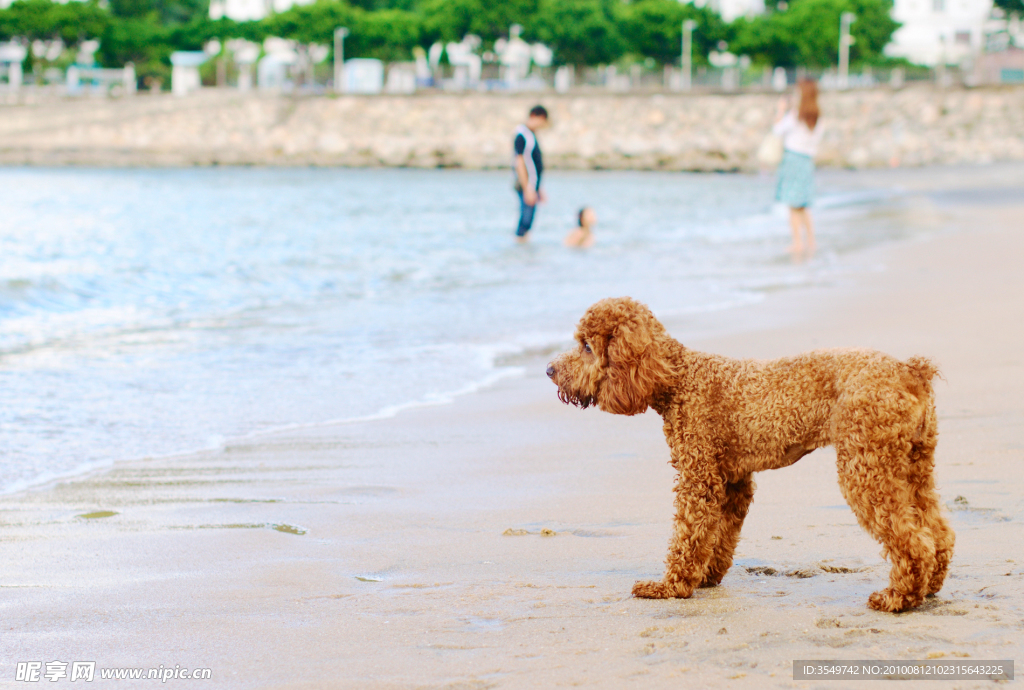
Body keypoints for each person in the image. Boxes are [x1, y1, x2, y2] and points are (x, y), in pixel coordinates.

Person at [773, 78, 823, 256]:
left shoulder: (795, 115)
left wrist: (780, 110)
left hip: (793, 159)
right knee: (802, 205)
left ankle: (797, 243)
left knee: (793, 205)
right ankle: (811, 241)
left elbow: (777, 130)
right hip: (807, 160)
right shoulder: (817, 117)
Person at [512, 105, 549, 243]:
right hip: (526, 185)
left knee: (529, 220)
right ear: (535, 117)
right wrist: (527, 187)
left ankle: (525, 254)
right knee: (525, 220)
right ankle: (520, 252)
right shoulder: (523, 134)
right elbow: (520, 161)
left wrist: (538, 187)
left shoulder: (530, 135)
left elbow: (533, 163)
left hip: (532, 185)